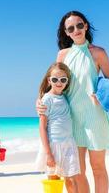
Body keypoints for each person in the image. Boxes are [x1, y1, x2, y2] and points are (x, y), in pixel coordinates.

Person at [37, 11, 109, 193]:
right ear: (66, 32)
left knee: (98, 168)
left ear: (86, 26)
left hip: (95, 117)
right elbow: (54, 81)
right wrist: (40, 100)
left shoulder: (99, 53)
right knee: (76, 172)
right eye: (71, 28)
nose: (76, 30)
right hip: (70, 120)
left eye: (79, 25)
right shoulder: (62, 55)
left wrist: (101, 94)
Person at [36, 62, 80, 193]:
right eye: (55, 79)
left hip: (69, 143)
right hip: (54, 145)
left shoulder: (65, 96)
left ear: (67, 81)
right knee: (54, 180)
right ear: (49, 80)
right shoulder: (47, 100)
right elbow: (42, 128)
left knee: (71, 179)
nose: (59, 82)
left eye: (63, 79)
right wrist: (48, 154)